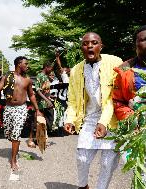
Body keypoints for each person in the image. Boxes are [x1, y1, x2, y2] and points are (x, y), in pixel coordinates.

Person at [63, 32, 122, 189]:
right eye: (85, 43)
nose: (89, 46)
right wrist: (70, 119)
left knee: (107, 163)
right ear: (81, 48)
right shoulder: (76, 70)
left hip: (112, 118)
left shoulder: (115, 63)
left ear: (101, 46)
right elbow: (73, 100)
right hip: (89, 118)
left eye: (94, 42)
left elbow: (114, 98)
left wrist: (104, 122)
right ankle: (83, 186)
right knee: (82, 158)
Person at [0, 56, 41, 172]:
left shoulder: (27, 80)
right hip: (8, 108)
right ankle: (15, 146)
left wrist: (37, 109)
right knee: (8, 134)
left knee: (16, 134)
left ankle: (13, 160)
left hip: (21, 109)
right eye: (26, 64)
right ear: (19, 64)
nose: (28, 66)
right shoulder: (7, 77)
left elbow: (31, 95)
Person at [112, 25, 146, 184]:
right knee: (142, 174)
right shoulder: (124, 71)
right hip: (138, 131)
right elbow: (118, 100)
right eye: (144, 40)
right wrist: (132, 118)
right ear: (136, 45)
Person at [28, 60, 54, 148]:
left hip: (46, 103)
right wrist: (46, 100)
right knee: (35, 122)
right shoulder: (40, 76)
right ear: (46, 67)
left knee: (44, 122)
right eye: (50, 68)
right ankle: (30, 140)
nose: (51, 70)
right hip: (40, 103)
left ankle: (40, 140)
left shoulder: (46, 77)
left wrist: (50, 97)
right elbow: (38, 90)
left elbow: (45, 90)